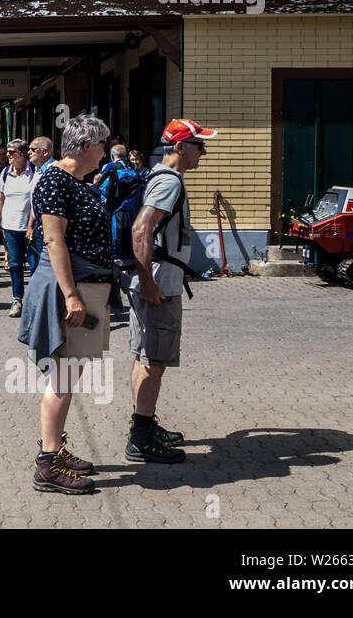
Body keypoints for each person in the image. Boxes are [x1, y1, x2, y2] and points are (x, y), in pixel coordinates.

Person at [18, 114, 114, 494]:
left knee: (69, 374)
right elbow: (55, 241)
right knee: (64, 374)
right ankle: (48, 463)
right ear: (87, 146)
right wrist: (72, 295)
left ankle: (54, 449)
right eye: (103, 145)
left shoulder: (70, 180)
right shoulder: (56, 179)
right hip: (69, 288)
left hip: (83, 284)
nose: (105, 152)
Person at [126, 118, 217, 464]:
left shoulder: (155, 176)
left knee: (143, 357)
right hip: (158, 286)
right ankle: (141, 437)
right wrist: (148, 281)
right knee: (154, 362)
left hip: (151, 282)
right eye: (199, 145)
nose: (203, 153)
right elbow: (140, 229)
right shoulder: (169, 182)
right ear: (180, 147)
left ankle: (143, 424)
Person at [0, 139, 38, 317]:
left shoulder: (33, 172)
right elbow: (1, 199)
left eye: (11, 152)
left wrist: (31, 225)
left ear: (21, 154)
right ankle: (17, 299)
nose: (7, 156)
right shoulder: (6, 173)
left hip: (29, 227)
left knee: (34, 265)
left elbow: (35, 201)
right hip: (10, 226)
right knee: (15, 265)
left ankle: (35, 301)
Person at [25, 136, 55, 270]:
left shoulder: (55, 170)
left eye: (33, 149)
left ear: (45, 152)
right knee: (37, 264)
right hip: (38, 225)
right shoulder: (37, 171)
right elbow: (35, 201)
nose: (28, 152)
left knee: (49, 264)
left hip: (50, 225)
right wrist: (30, 225)